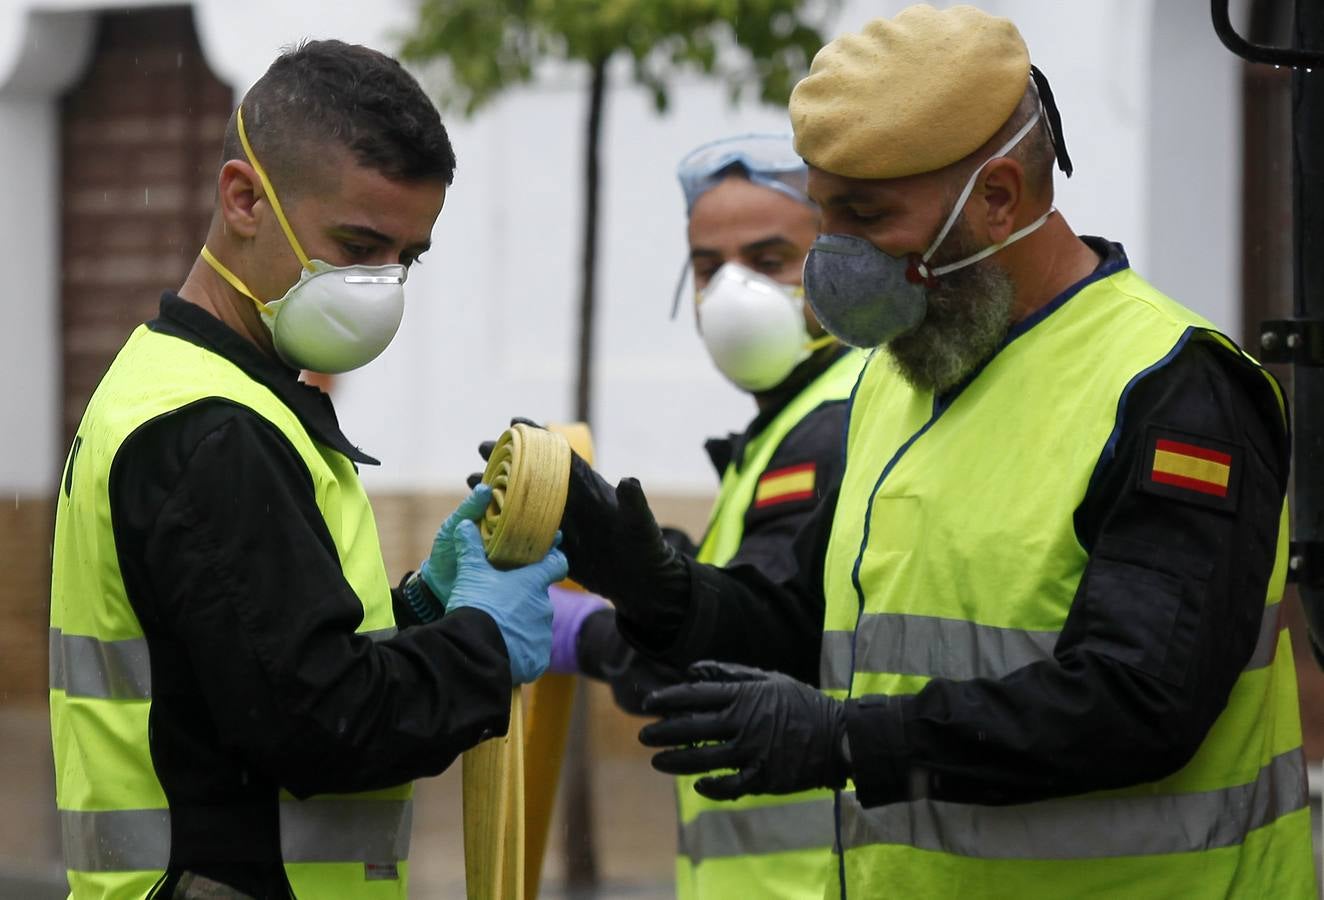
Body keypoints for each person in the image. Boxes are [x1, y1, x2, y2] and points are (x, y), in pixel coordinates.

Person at [536, 6, 1316, 897]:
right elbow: (804, 632)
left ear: (996, 197)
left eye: (866, 216)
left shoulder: (1175, 389)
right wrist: (656, 588)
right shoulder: (894, 379)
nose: (835, 261)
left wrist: (846, 741)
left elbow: (1138, 702)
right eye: (825, 217)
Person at [48, 41, 565, 899]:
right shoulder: (213, 431)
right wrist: (479, 647)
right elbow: (320, 723)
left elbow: (241, 666)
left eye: (406, 257)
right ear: (244, 198)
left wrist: (420, 613)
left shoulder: (184, 387)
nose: (381, 285)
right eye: (357, 245)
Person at [546, 135, 864, 899]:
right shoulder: (784, 428)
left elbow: (744, 659)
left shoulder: (835, 422)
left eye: (769, 259)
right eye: (707, 266)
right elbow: (755, 595)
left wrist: (585, 634)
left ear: (840, 261)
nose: (731, 293)